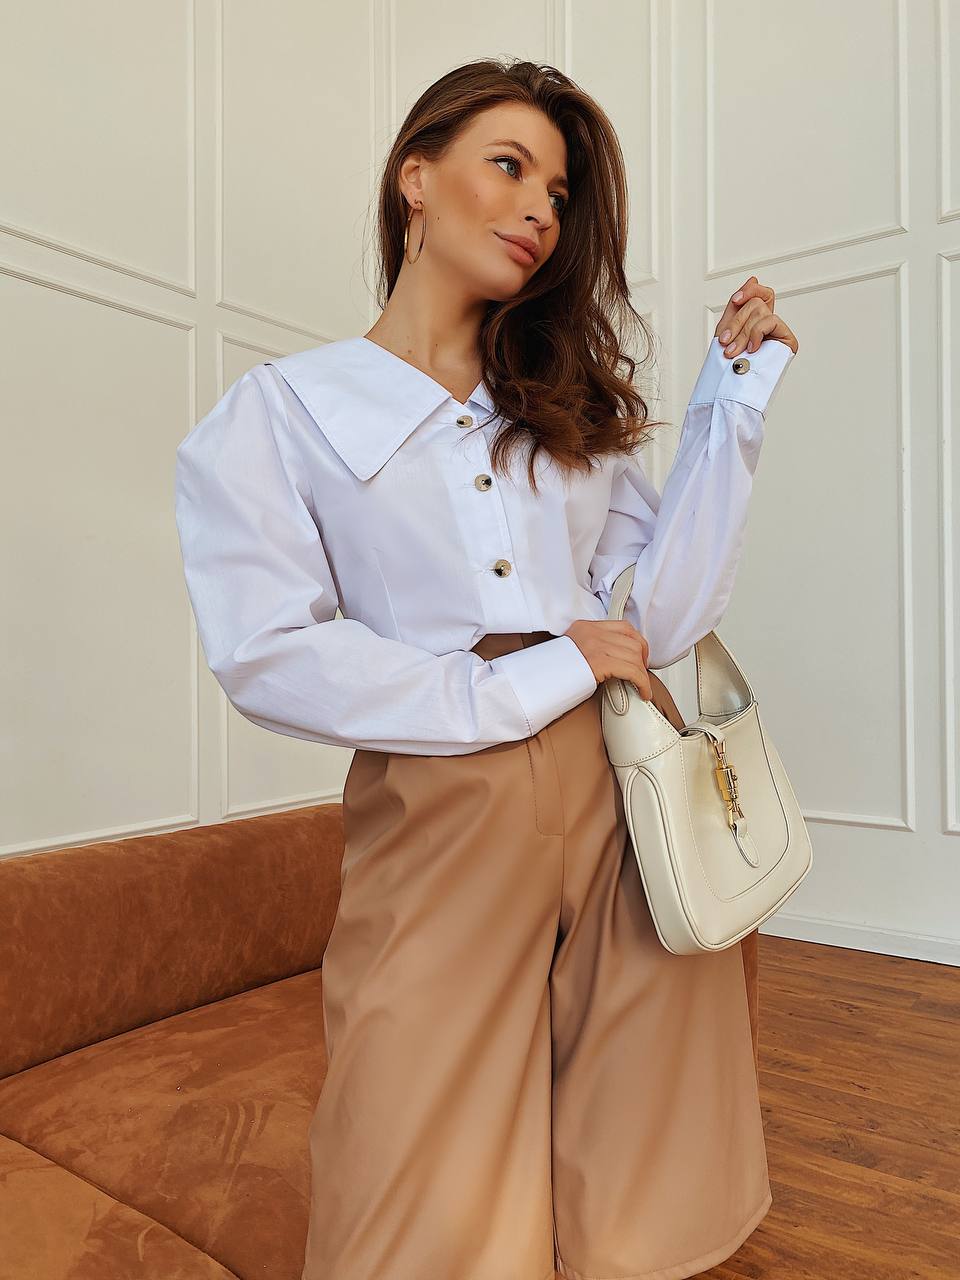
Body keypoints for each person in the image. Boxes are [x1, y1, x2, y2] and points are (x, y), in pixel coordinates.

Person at [174, 57, 798, 1280]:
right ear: (416, 176)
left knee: (635, 1125)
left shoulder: (558, 412)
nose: (538, 212)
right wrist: (514, 683)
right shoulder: (283, 413)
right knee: (415, 1147)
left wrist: (734, 401)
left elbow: (659, 608)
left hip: (626, 773)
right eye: (508, 167)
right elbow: (268, 651)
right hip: (446, 792)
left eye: (559, 194)